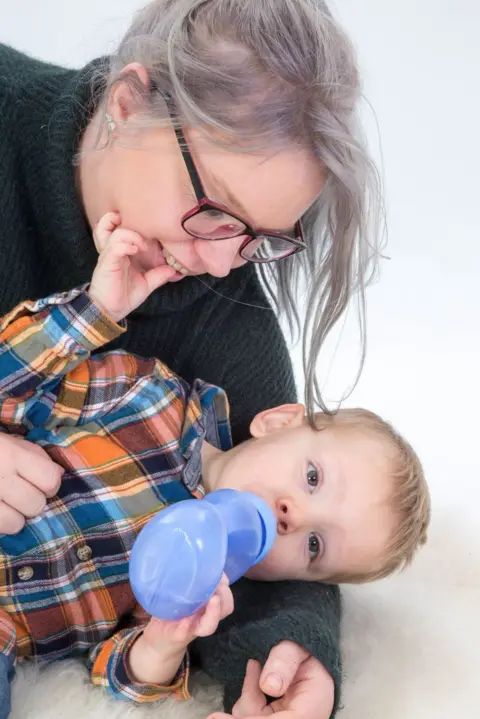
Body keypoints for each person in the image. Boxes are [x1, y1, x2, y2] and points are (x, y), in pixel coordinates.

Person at [0, 1, 384, 717]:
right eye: (213, 208)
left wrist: (296, 655)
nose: (216, 261)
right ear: (127, 102)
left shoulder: (230, 319)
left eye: (259, 238)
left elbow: (267, 525)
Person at [0, 215, 430, 719]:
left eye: (314, 545)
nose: (294, 515)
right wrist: (95, 310)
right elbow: (12, 385)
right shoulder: (149, 395)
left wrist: (160, 647)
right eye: (312, 478)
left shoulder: (203, 583)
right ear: (278, 421)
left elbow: (110, 669)